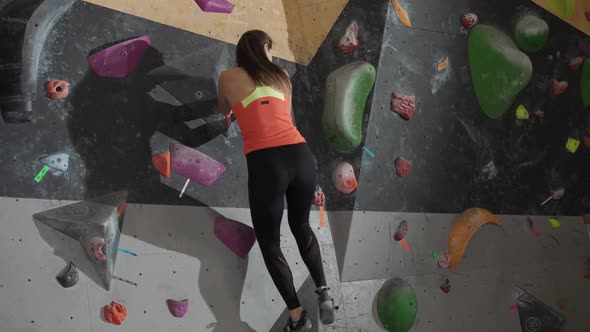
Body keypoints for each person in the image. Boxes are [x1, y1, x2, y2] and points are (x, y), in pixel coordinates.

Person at [216, 30, 335, 331]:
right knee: (302, 226)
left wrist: (233, 110)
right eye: (270, 48)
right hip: (300, 156)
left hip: (266, 164)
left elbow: (223, 109)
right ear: (264, 49)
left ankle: (297, 317)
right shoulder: (282, 75)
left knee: (270, 244)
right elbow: (285, 117)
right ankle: (323, 291)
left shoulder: (228, 77)